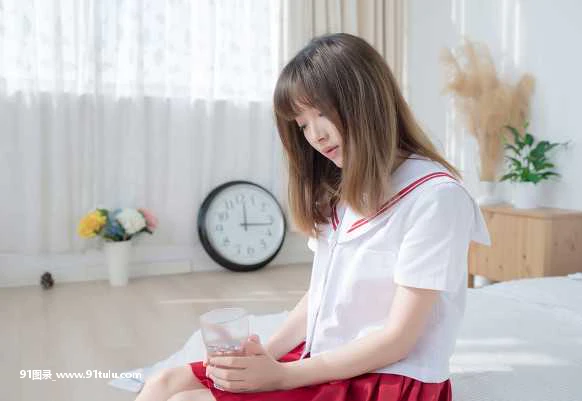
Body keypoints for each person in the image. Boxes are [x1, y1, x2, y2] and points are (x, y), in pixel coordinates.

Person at [134, 32, 490, 401]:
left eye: (322, 113)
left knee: (188, 398)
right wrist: (265, 356)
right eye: (302, 124)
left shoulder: (436, 198)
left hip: (388, 377)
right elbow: (320, 296)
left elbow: (398, 340)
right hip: (326, 358)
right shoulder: (344, 186)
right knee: (165, 382)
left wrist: (281, 377)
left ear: (367, 100)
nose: (315, 136)